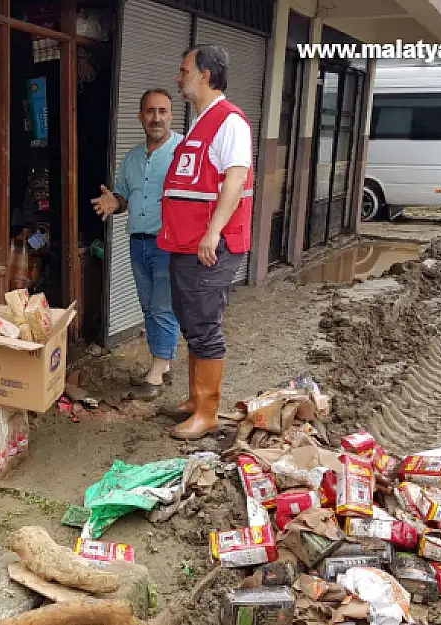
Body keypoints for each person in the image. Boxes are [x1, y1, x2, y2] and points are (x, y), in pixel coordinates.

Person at [158, 44, 255, 440]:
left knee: (204, 324)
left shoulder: (230, 122)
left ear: (206, 76)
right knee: (190, 317)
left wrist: (213, 232)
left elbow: (235, 179)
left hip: (210, 245)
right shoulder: (202, 121)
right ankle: (196, 398)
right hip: (186, 243)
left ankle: (208, 412)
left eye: (184, 71)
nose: (179, 77)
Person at [91, 89, 183, 400]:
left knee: (163, 306)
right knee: (149, 306)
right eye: (150, 111)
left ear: (171, 115)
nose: (156, 118)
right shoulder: (131, 158)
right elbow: (124, 198)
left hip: (169, 243)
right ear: (140, 116)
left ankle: (156, 373)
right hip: (138, 242)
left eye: (162, 111)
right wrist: (112, 203)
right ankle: (164, 363)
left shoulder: (184, 151)